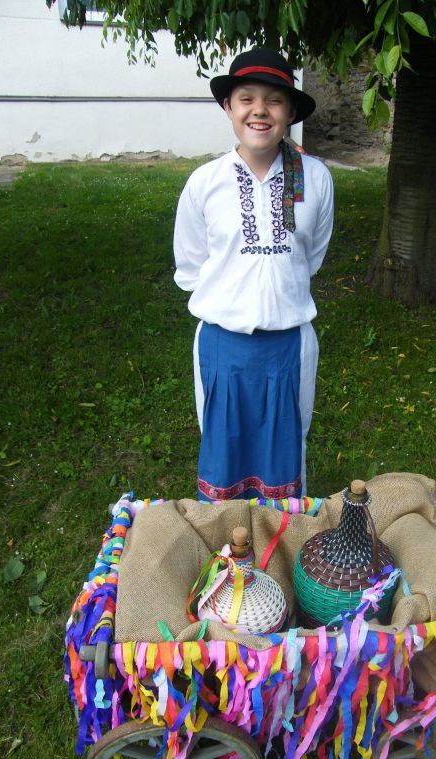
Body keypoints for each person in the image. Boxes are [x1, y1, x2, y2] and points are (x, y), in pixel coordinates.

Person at [173, 47, 334, 502]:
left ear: (291, 112)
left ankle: (281, 541)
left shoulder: (316, 178)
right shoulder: (205, 182)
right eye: (246, 98)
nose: (259, 110)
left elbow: (309, 257)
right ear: (229, 107)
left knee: (286, 458)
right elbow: (191, 265)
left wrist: (274, 289)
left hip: (288, 346)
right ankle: (229, 541)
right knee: (224, 457)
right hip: (223, 347)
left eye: (274, 100)